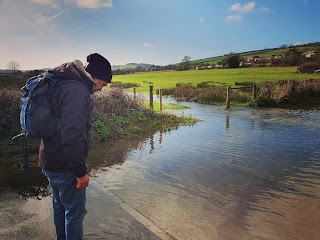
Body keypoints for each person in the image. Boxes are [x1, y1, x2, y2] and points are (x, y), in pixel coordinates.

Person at [39, 53, 112, 240]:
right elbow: (72, 136)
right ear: (95, 78)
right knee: (75, 214)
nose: (101, 89)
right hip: (65, 165)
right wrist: (80, 173)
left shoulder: (64, 83)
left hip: (50, 159)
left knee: (59, 206)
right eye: (103, 84)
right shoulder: (77, 91)